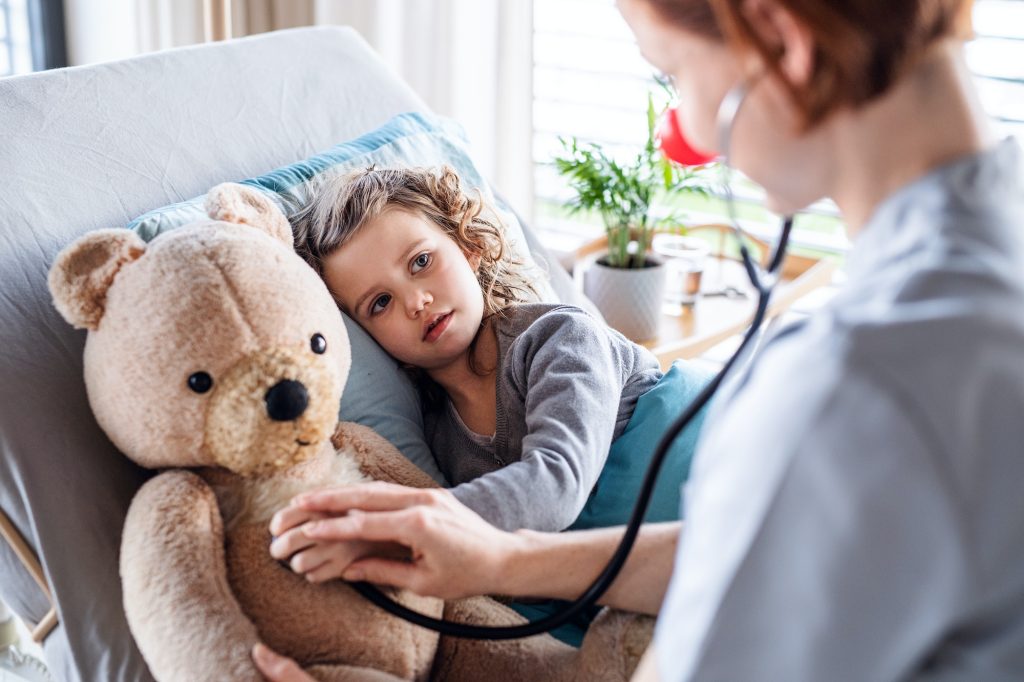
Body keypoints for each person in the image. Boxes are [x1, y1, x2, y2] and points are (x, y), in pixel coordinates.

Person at [256, 0, 1024, 679]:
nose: (686, 129)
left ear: (779, 40)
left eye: (676, 70)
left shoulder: (853, 386)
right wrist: (500, 560)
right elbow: (742, 558)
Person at [273, 164, 707, 583]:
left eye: (421, 261)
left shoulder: (560, 338)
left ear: (468, 247)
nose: (416, 301)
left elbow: (556, 483)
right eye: (380, 303)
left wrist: (393, 533)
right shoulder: (438, 438)